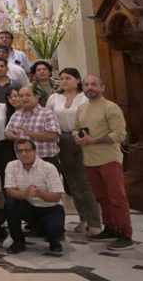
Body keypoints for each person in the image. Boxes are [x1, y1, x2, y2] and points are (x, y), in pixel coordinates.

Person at [75, 75, 134, 250]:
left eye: (94, 84)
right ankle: (110, 228)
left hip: (109, 159)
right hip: (90, 160)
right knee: (101, 197)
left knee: (116, 197)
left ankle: (125, 234)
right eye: (86, 85)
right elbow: (75, 129)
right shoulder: (82, 108)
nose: (89, 87)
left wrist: (94, 140)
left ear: (102, 88)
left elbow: (120, 135)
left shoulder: (110, 107)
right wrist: (76, 137)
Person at [46, 68, 102, 237]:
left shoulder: (85, 97)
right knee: (72, 182)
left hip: (83, 139)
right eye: (62, 78)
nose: (64, 81)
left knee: (85, 181)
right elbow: (48, 117)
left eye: (68, 78)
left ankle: (94, 222)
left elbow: (94, 118)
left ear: (77, 80)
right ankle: (83, 218)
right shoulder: (54, 98)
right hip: (62, 140)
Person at [3, 138, 65, 255]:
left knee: (54, 230)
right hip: (28, 207)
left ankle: (54, 241)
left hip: (50, 208)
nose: (24, 154)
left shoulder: (48, 167)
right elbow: (9, 191)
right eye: (20, 151)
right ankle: (18, 241)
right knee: (10, 203)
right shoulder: (11, 166)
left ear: (35, 151)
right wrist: (24, 194)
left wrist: (40, 194)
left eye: (27, 150)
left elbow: (56, 197)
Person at [4, 85, 60, 165]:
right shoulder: (16, 115)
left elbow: (54, 135)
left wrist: (30, 133)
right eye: (21, 96)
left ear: (37, 96)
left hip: (45, 159)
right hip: (22, 160)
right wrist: (16, 137)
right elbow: (7, 132)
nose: (24, 98)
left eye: (28, 95)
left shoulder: (47, 113)